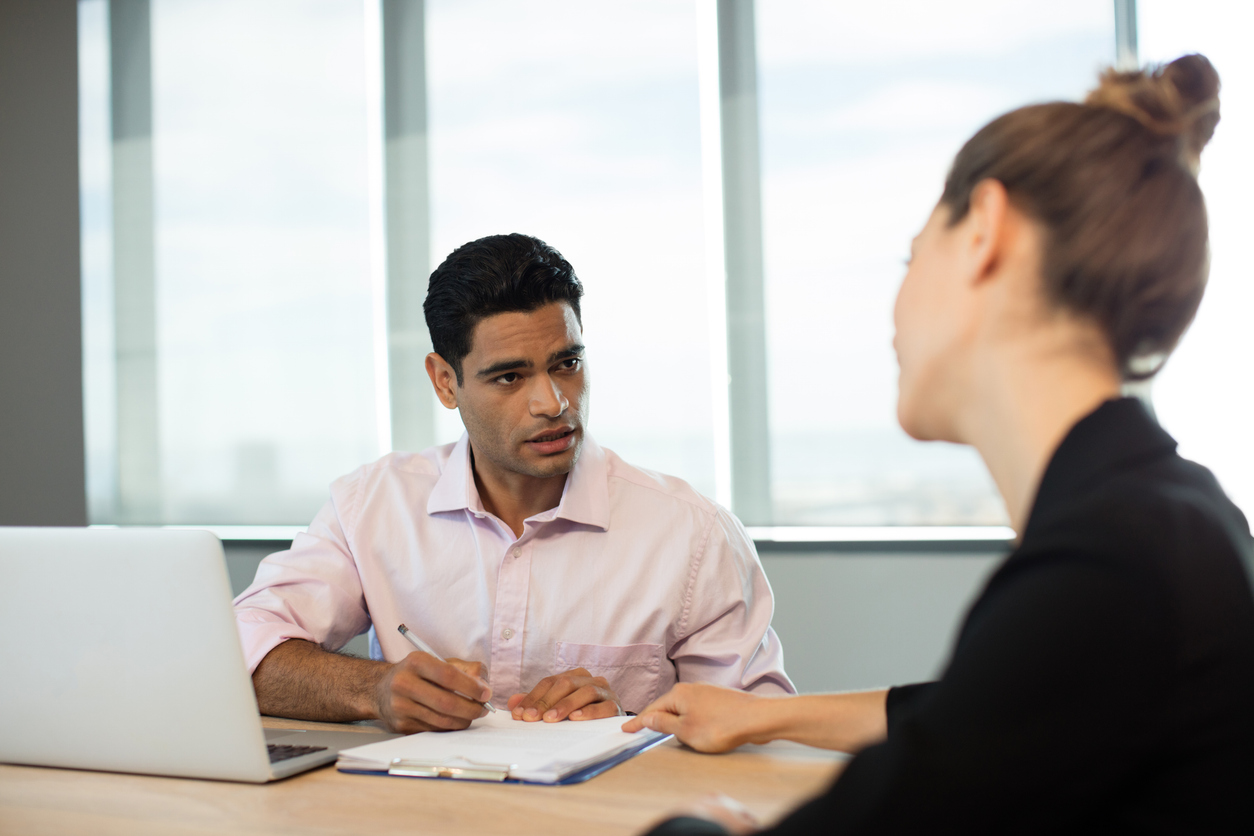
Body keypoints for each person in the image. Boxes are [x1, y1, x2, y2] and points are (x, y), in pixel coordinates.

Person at [627, 54, 1254, 833]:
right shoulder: (1164, 517)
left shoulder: (1110, 563)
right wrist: (757, 718)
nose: (892, 311)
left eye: (910, 255)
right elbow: (981, 720)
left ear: (984, 233)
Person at [234, 233, 794, 735]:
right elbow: (238, 646)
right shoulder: (372, 506)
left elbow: (767, 736)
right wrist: (373, 690)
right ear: (444, 382)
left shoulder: (693, 533)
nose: (553, 403)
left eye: (567, 364)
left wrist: (628, 722)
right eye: (510, 376)